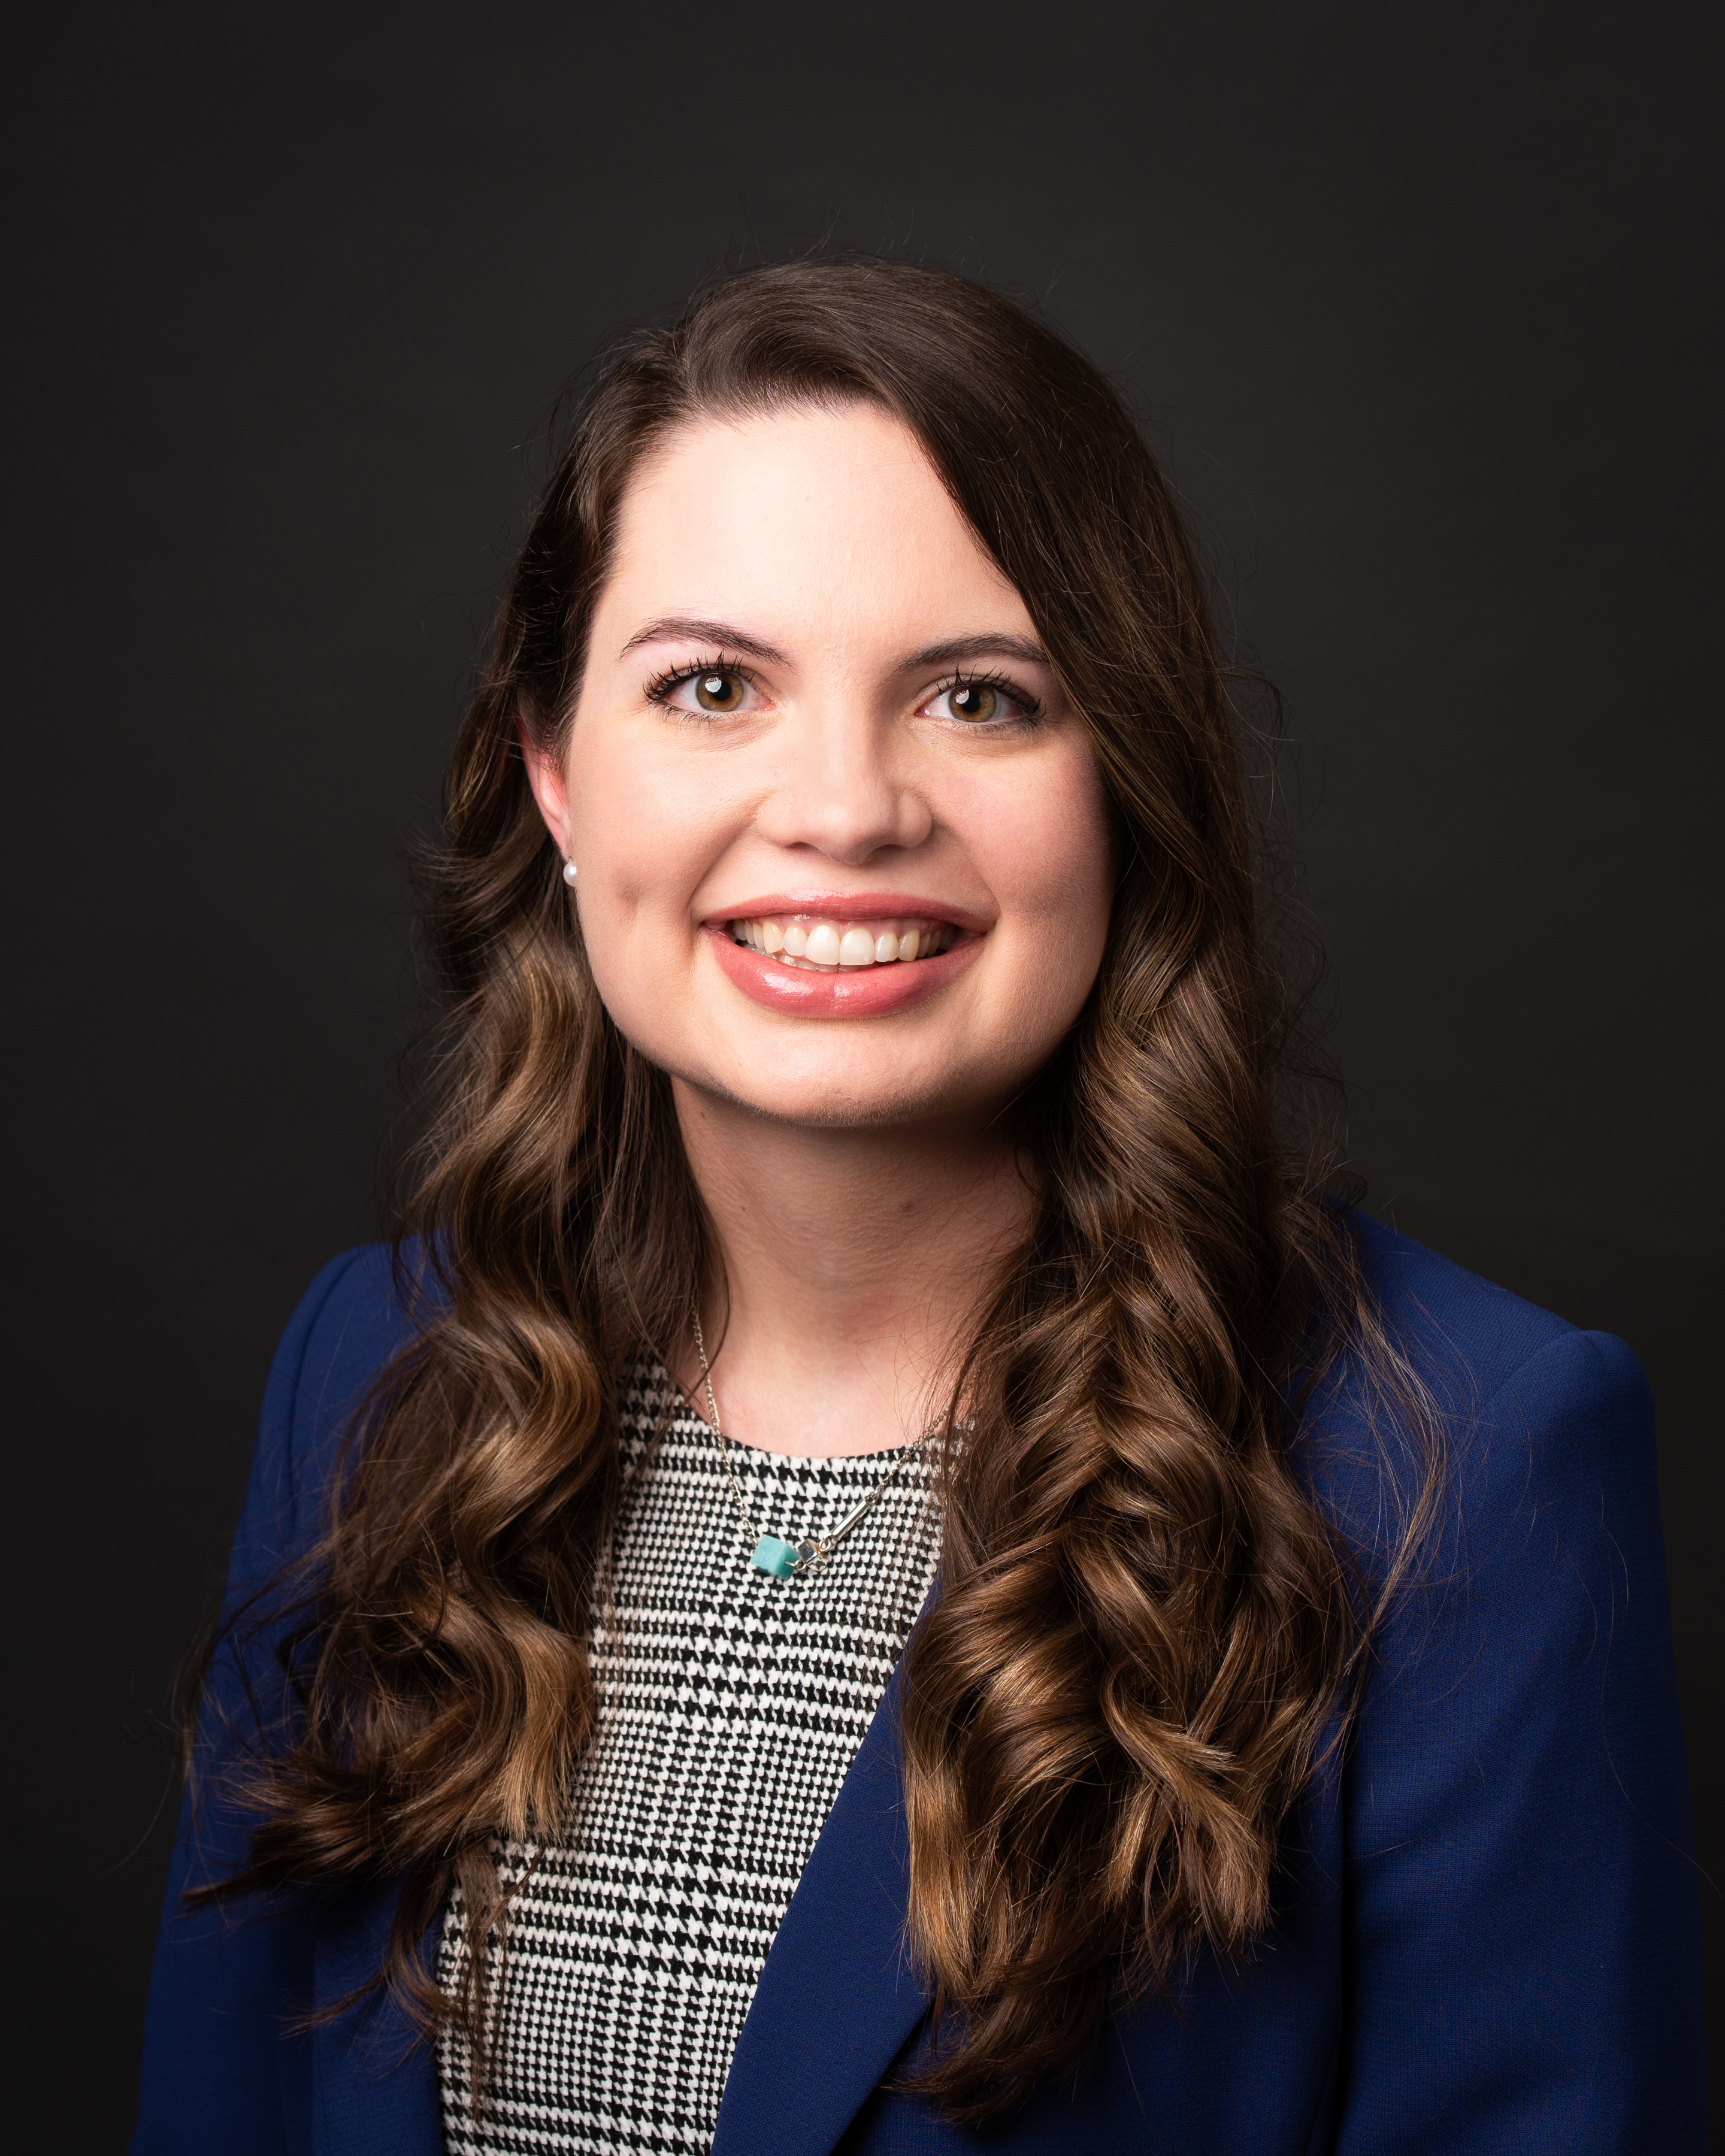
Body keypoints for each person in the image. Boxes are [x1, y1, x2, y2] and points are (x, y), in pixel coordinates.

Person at [130, 256, 1706, 2155]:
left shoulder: (1461, 1467)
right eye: (711, 687)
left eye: (978, 697)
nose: (847, 807)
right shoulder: (372, 1368)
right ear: (556, 775)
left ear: (1125, 776)